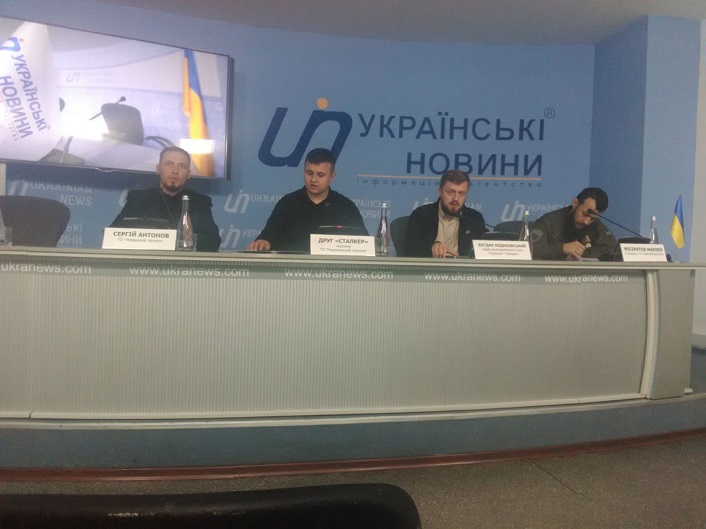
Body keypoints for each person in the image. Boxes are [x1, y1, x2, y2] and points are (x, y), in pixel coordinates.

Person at [247, 148, 367, 252]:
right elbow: (267, 236)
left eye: (320, 175)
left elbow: (365, 243)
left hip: (333, 270)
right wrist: (263, 242)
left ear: (331, 177)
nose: (313, 180)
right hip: (291, 269)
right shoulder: (288, 203)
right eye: (309, 173)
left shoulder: (345, 207)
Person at [110, 146, 221, 252]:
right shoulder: (138, 198)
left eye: (182, 166)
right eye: (169, 164)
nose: (175, 171)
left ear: (188, 174)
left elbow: (213, 241)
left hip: (185, 264)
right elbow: (113, 235)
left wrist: (170, 241)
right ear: (158, 169)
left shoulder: (200, 202)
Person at [403, 169, 488, 258]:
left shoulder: (474, 219)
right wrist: (432, 247)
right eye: (450, 192)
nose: (455, 198)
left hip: (462, 267)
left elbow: (482, 252)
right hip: (430, 266)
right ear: (440, 192)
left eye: (461, 194)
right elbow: (409, 248)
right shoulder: (421, 215)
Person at [532, 187, 617, 260]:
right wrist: (562, 248)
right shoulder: (548, 222)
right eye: (585, 214)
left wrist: (586, 252)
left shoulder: (596, 226)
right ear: (575, 203)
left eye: (593, 218)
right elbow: (531, 250)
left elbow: (614, 250)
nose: (587, 222)